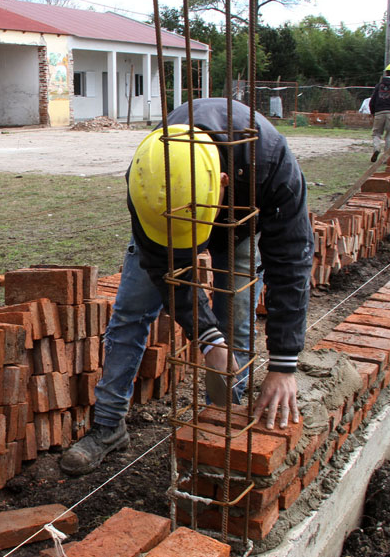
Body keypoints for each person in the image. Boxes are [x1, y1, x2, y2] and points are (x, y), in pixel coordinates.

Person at [60, 98, 313, 476]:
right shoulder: (150, 173)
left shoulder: (272, 163)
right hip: (166, 225)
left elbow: (291, 264)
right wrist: (207, 339)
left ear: (223, 183)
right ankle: (109, 426)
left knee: (236, 321)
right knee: (130, 312)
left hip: (240, 226)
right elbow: (167, 271)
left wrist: (284, 363)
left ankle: (220, 431)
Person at [370, 63, 390, 162]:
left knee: (376, 133)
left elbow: (372, 101)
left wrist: (373, 112)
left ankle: (377, 148)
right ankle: (387, 157)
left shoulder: (378, 86)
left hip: (378, 112)